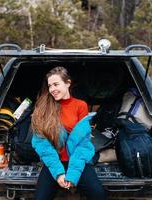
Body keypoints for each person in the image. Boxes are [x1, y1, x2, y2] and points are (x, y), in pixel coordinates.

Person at [31, 66, 106, 200]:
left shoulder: (80, 105)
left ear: (68, 83)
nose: (52, 89)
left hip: (77, 160)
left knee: (98, 194)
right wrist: (58, 173)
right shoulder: (44, 108)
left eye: (56, 84)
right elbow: (41, 144)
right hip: (54, 161)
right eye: (50, 86)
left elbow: (83, 144)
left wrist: (73, 174)